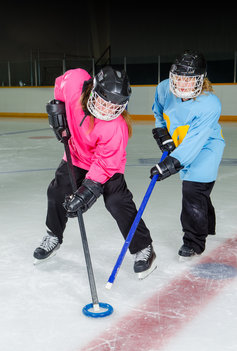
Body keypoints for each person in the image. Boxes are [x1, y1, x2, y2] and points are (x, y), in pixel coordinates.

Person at [33, 66, 156, 279]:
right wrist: (60, 110)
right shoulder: (75, 82)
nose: (108, 111)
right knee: (56, 192)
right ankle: (53, 235)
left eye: (115, 106)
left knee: (117, 201)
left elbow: (105, 164)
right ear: (93, 91)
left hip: (106, 164)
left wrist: (87, 191)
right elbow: (59, 85)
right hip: (76, 155)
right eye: (104, 103)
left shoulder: (116, 127)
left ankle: (143, 247)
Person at [150, 50, 225, 259]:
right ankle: (206, 223)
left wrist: (170, 165)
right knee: (199, 194)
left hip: (206, 148)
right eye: (179, 78)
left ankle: (194, 241)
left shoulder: (210, 104)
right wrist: (162, 133)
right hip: (181, 143)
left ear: (200, 80)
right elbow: (158, 111)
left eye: (189, 80)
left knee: (193, 190)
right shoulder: (164, 88)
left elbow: (194, 143)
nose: (182, 84)